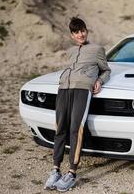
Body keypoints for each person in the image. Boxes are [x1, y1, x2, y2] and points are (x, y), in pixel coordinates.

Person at [44, 17, 111, 192]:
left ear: (86, 31)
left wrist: (100, 81)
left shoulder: (97, 49)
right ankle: (55, 169)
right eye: (76, 32)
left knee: (76, 128)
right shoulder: (70, 51)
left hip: (82, 89)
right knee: (60, 128)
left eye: (82, 30)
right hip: (64, 89)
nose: (80, 34)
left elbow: (106, 69)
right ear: (72, 35)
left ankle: (72, 172)